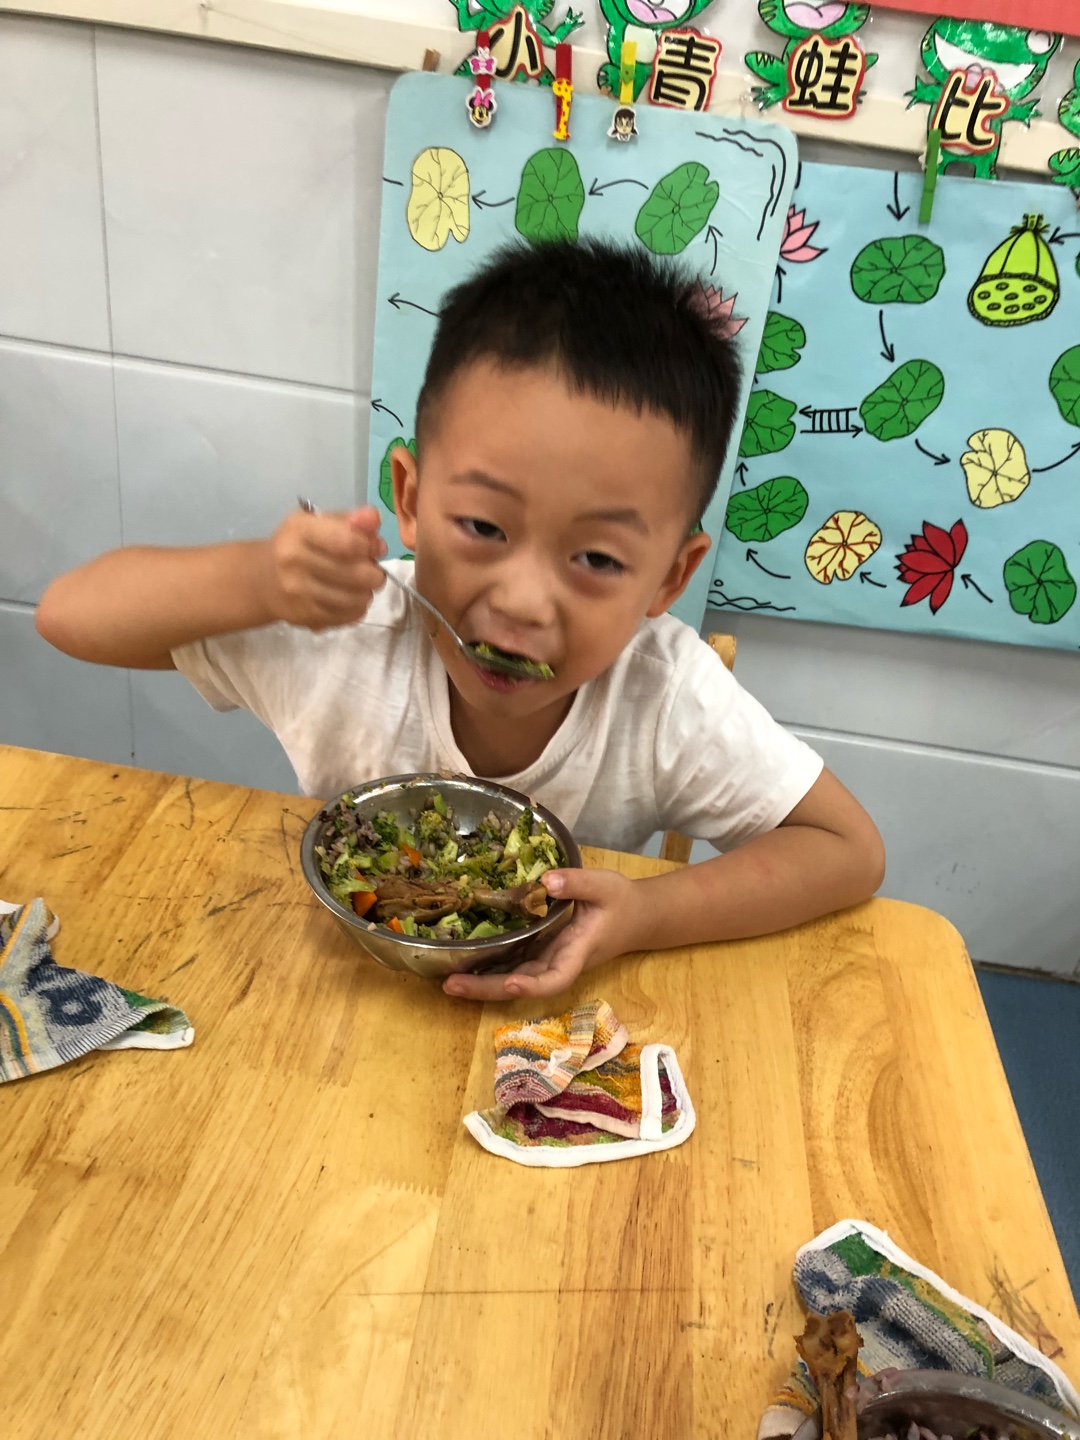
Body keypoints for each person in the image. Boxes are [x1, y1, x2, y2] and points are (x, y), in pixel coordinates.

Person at [37, 240, 884, 1002]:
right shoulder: (347, 633)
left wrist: (644, 914)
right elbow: (69, 616)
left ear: (669, 576)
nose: (521, 601)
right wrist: (257, 578)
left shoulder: (664, 696)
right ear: (409, 499)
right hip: (329, 1003)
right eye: (483, 525)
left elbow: (847, 852)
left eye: (597, 559)